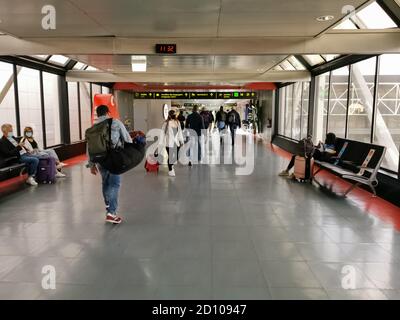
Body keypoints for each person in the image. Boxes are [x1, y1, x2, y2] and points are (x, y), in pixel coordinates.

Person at [87, 105, 132, 225]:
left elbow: (89, 147)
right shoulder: (115, 122)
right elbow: (127, 139)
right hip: (114, 158)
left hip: (100, 159)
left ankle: (108, 206)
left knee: (105, 182)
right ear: (108, 112)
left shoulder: (94, 127)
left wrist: (91, 164)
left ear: (97, 114)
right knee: (115, 184)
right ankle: (112, 213)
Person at [159, 110, 184, 177]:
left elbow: (180, 133)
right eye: (172, 114)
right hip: (168, 143)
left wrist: (181, 141)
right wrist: (160, 143)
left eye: (174, 114)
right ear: (169, 115)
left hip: (176, 142)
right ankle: (170, 170)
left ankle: (171, 165)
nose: (174, 115)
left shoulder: (177, 122)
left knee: (177, 156)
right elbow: (162, 134)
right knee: (170, 157)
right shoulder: (166, 123)